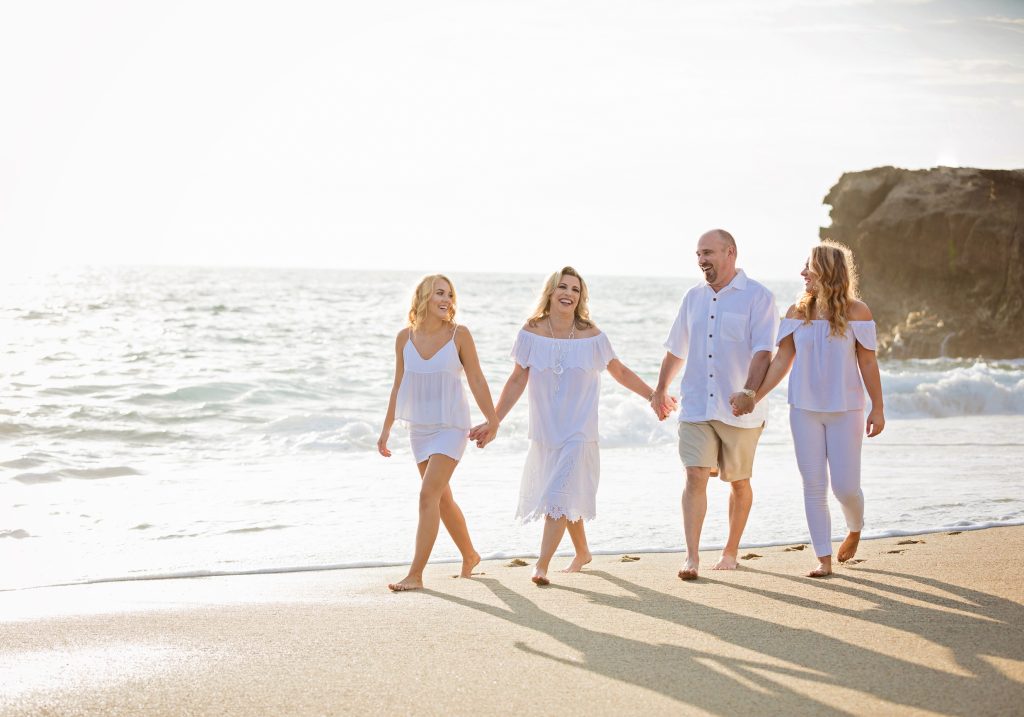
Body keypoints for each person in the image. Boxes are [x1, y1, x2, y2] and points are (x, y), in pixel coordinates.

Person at [472, 267, 667, 586]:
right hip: (548, 433)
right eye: (562, 286)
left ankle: (542, 565)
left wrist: (652, 395)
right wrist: (494, 421)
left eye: (575, 289)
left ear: (581, 297)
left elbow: (618, 371)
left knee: (558, 495)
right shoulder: (531, 332)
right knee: (565, 495)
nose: (568, 293)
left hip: (580, 431)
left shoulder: (591, 334)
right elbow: (517, 378)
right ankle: (583, 552)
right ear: (550, 291)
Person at [735, 241, 885, 577]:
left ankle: (855, 526)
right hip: (804, 409)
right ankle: (823, 557)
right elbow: (782, 363)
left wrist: (879, 406)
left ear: (828, 271)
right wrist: (753, 397)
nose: (803, 273)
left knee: (845, 487)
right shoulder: (796, 313)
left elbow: (868, 363)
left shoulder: (857, 312)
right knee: (813, 484)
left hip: (847, 410)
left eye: (809, 267)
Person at [651, 229, 778, 580]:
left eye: (707, 252)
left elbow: (764, 351)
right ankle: (691, 556)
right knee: (694, 475)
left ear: (730, 252)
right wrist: (660, 390)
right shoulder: (693, 297)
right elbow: (677, 349)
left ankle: (731, 550)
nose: (701, 260)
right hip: (696, 406)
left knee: (738, 482)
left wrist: (750, 392)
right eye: (698, 254)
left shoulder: (758, 297)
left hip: (739, 408)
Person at [378, 274, 500, 592]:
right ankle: (470, 554)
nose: (447, 299)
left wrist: (493, 419)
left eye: (450, 294)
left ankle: (416, 574)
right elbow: (397, 384)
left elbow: (476, 378)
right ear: (424, 298)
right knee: (442, 500)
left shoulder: (459, 335)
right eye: (439, 294)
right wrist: (386, 428)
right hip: (419, 429)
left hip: (451, 426)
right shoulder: (404, 338)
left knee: (427, 495)